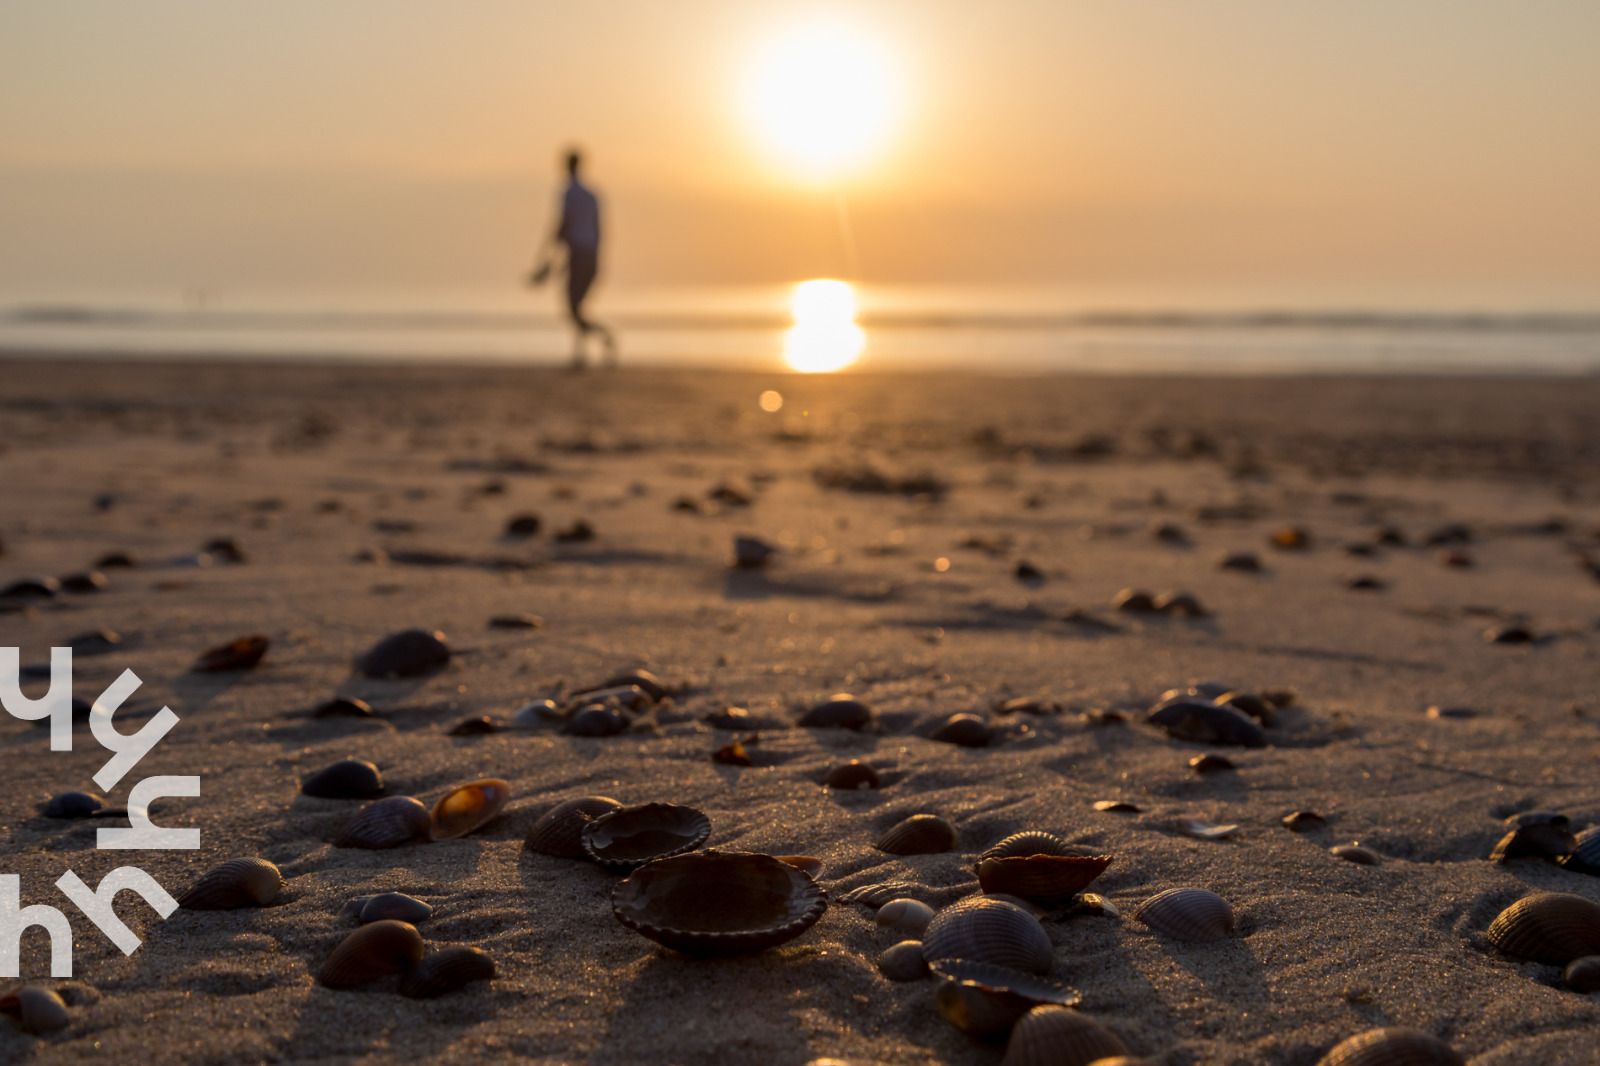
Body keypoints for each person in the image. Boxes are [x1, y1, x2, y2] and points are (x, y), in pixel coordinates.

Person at [530, 148, 616, 368]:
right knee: (576, 305)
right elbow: (600, 230)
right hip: (589, 254)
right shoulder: (592, 195)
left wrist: (546, 257)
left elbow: (562, 224)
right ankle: (586, 349)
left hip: (578, 254)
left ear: (568, 166)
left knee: (573, 306)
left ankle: (598, 340)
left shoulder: (570, 193)